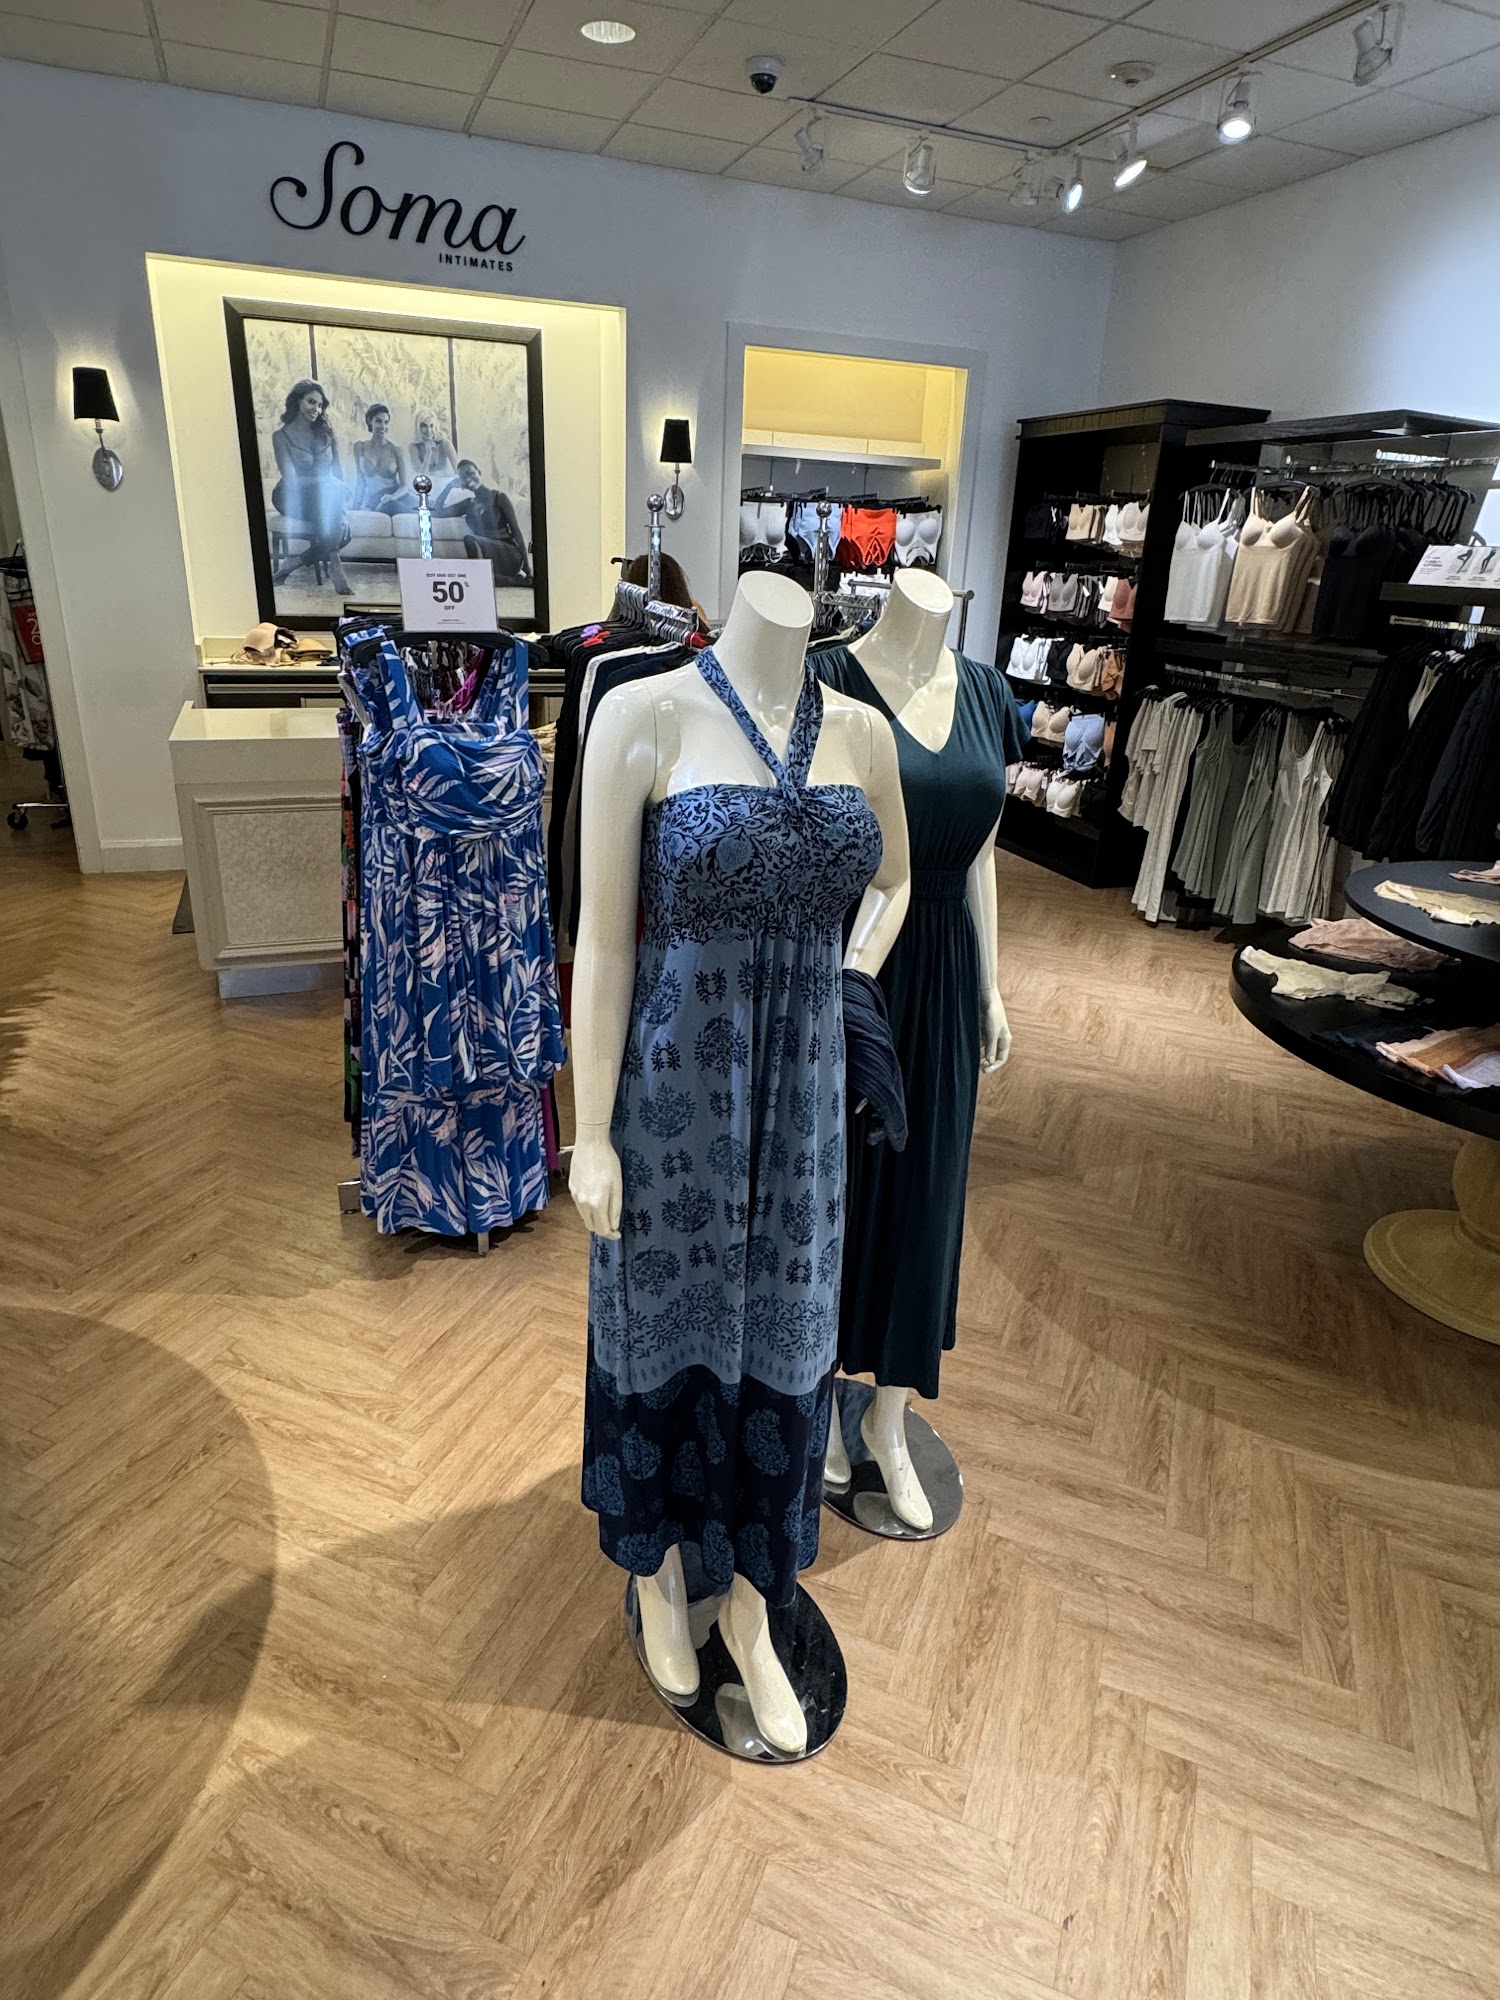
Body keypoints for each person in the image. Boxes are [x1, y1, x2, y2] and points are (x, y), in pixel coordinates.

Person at [270, 379, 351, 596]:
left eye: (320, 405)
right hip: (290, 495)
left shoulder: (327, 433)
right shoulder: (281, 436)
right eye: (311, 402)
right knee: (338, 529)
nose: (316, 409)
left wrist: (342, 510)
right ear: (298, 401)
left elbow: (339, 474)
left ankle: (292, 564)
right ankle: (336, 565)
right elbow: (291, 481)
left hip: (325, 495)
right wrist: (327, 482)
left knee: (343, 530)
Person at [433, 459, 532, 583]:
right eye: (463, 477)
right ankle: (513, 581)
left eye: (470, 473)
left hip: (509, 555)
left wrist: (528, 570)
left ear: (479, 473)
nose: (468, 478)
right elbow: (437, 512)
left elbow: (516, 532)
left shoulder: (499, 497)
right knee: (472, 574)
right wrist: (449, 486)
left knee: (470, 539)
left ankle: (510, 579)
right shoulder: (468, 504)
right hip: (488, 558)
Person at [352, 404, 409, 514]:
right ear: (370, 421)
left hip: (395, 499)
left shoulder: (396, 450)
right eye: (378, 421)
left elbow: (404, 487)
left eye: (386, 422)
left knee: (431, 506)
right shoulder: (359, 447)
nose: (383, 426)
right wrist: (355, 510)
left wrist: (392, 497)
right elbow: (360, 483)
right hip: (375, 501)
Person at [409, 411, 457, 485]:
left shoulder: (445, 443)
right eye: (424, 426)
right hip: (426, 488)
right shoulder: (413, 447)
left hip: (447, 486)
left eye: (431, 425)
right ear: (418, 427)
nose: (429, 430)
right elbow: (421, 480)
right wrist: (428, 453)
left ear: (435, 426)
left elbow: (459, 472)